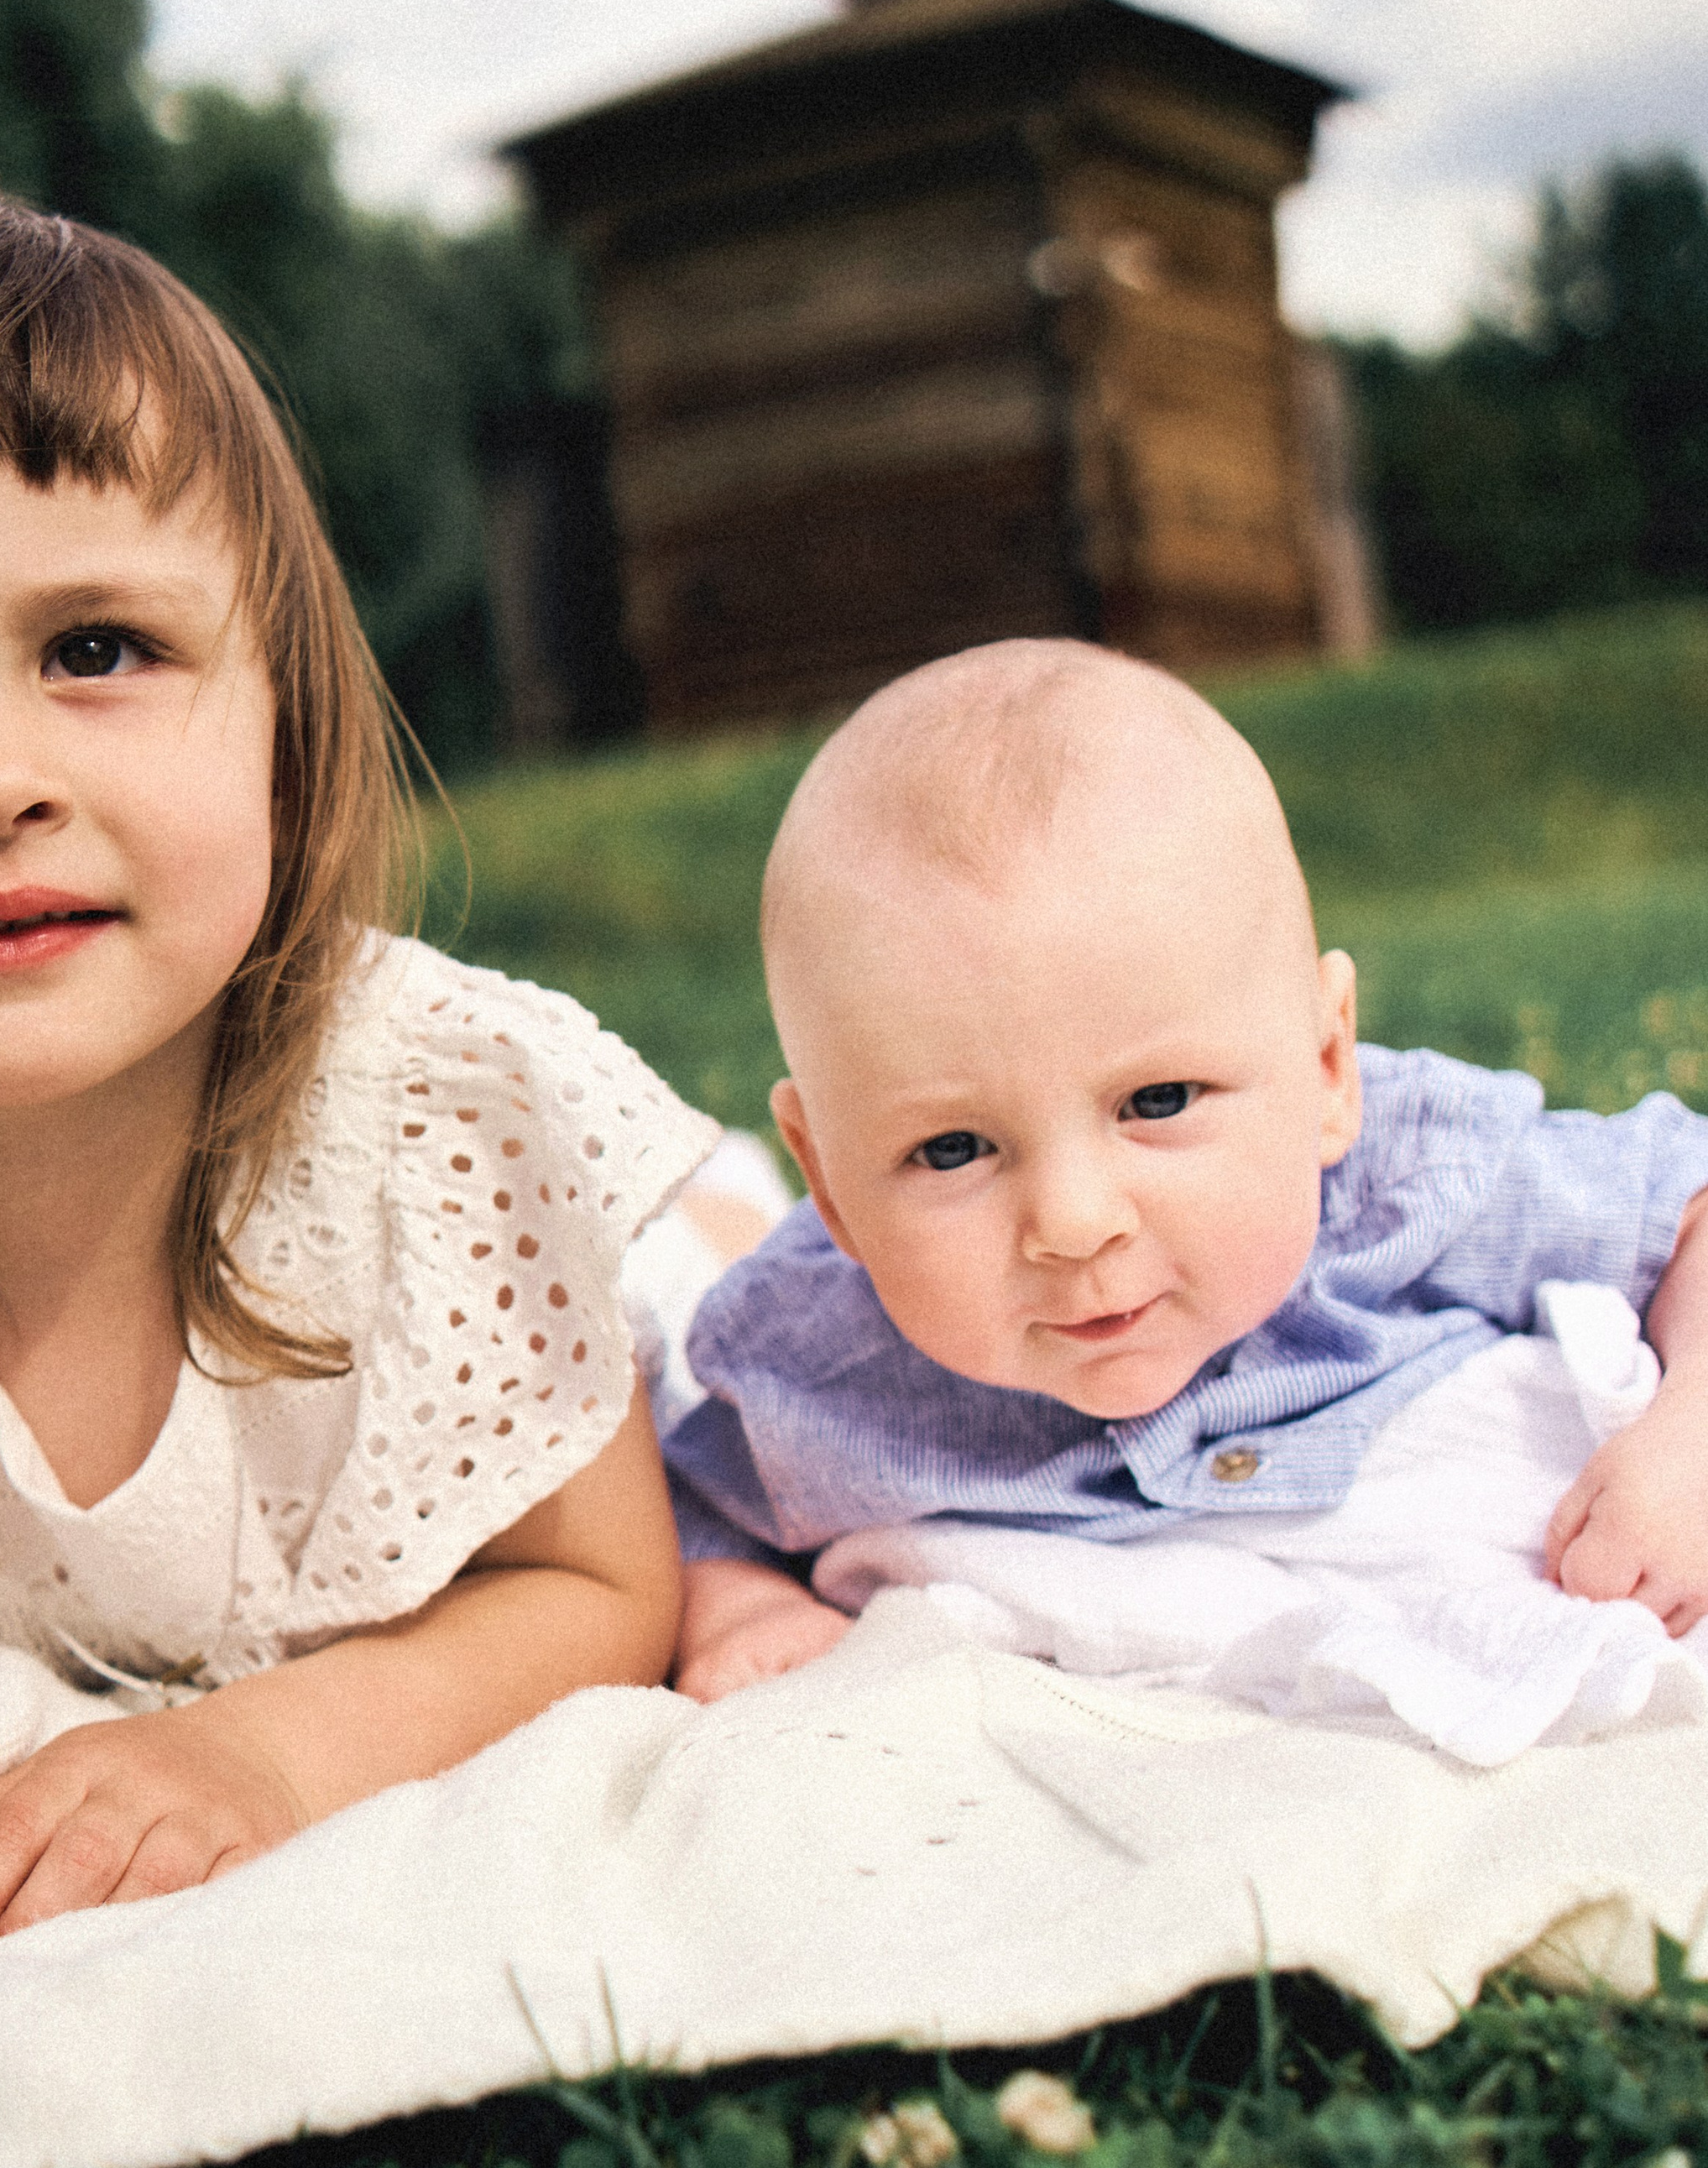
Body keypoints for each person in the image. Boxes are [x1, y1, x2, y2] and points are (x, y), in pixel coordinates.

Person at [0, 185, 713, 1930]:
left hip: (639, 1292)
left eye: (95, 650)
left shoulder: (432, 1133)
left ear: (282, 736)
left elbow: (596, 1582)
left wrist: (265, 1756)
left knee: (759, 1305)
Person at [666, 640, 1708, 1706]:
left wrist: (1690, 1437)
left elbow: (1689, 1208)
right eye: (952, 1149)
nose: (1073, 1222)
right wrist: (740, 1605)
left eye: (1157, 1101)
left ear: (1325, 1067)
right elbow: (691, 1503)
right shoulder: (811, 1362)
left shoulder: (1415, 1179)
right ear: (828, 1184)